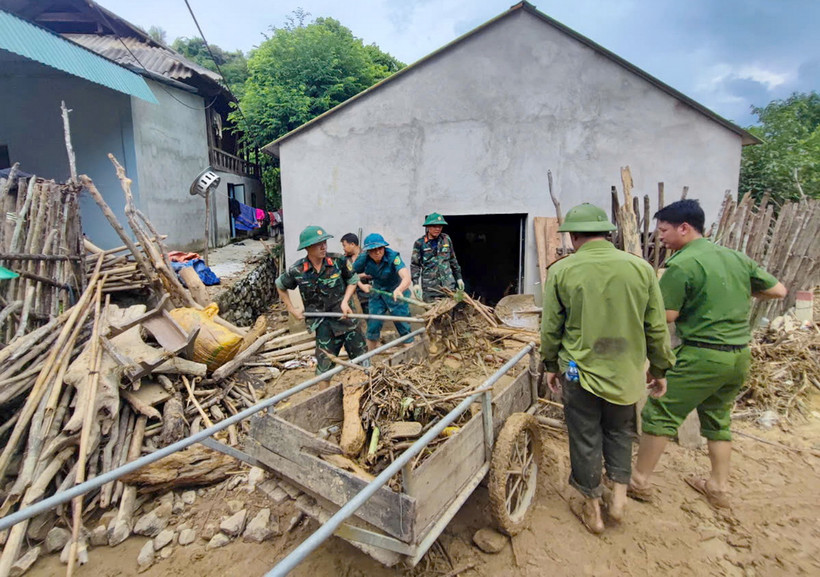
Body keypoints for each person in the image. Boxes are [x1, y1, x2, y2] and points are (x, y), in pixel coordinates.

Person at [630, 199, 787, 509]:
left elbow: (666, 316)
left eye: (663, 230)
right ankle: (718, 486)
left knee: (661, 412)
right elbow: (778, 290)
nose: (659, 237)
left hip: (704, 355)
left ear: (684, 228)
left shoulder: (681, 264)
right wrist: (736, 292)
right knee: (717, 419)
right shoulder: (735, 257)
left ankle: (638, 481)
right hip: (739, 356)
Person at [540, 203, 675, 534]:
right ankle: (618, 498)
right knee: (619, 431)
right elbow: (656, 327)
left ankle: (592, 509)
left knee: (584, 434)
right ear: (607, 233)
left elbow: (550, 328)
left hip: (578, 371)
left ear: (572, 236)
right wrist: (659, 368)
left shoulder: (562, 271)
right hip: (625, 371)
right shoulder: (641, 269)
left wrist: (550, 365)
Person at [275, 225, 368, 374]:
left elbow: (352, 280)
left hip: (346, 319)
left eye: (324, 242)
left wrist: (345, 301)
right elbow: (280, 285)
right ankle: (324, 395)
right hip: (323, 324)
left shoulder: (338, 261)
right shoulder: (297, 270)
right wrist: (292, 309)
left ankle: (367, 391)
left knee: (363, 361)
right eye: (319, 244)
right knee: (324, 369)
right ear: (307, 247)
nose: (323, 246)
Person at [353, 233, 414, 350]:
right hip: (378, 292)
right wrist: (361, 285)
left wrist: (399, 289)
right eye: (373, 250)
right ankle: (369, 358)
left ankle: (411, 352)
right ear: (368, 251)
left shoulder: (393, 256)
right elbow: (350, 274)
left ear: (384, 247)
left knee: (402, 324)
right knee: (373, 325)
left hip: (396, 291)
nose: (377, 252)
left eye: (380, 248)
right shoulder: (363, 258)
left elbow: (406, 278)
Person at [410, 212, 464, 302]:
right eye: (434, 226)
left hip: (448, 287)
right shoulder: (420, 243)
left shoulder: (446, 239)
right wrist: (415, 284)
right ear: (428, 227)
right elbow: (415, 265)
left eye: (440, 226)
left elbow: (453, 259)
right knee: (433, 314)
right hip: (431, 289)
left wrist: (459, 278)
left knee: (449, 314)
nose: (437, 229)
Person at [341, 233, 370, 314]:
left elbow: (372, 273)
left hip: (366, 296)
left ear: (352, 244)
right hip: (351, 297)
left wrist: (356, 276)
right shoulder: (344, 259)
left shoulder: (367, 256)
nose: (343, 248)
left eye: (344, 245)